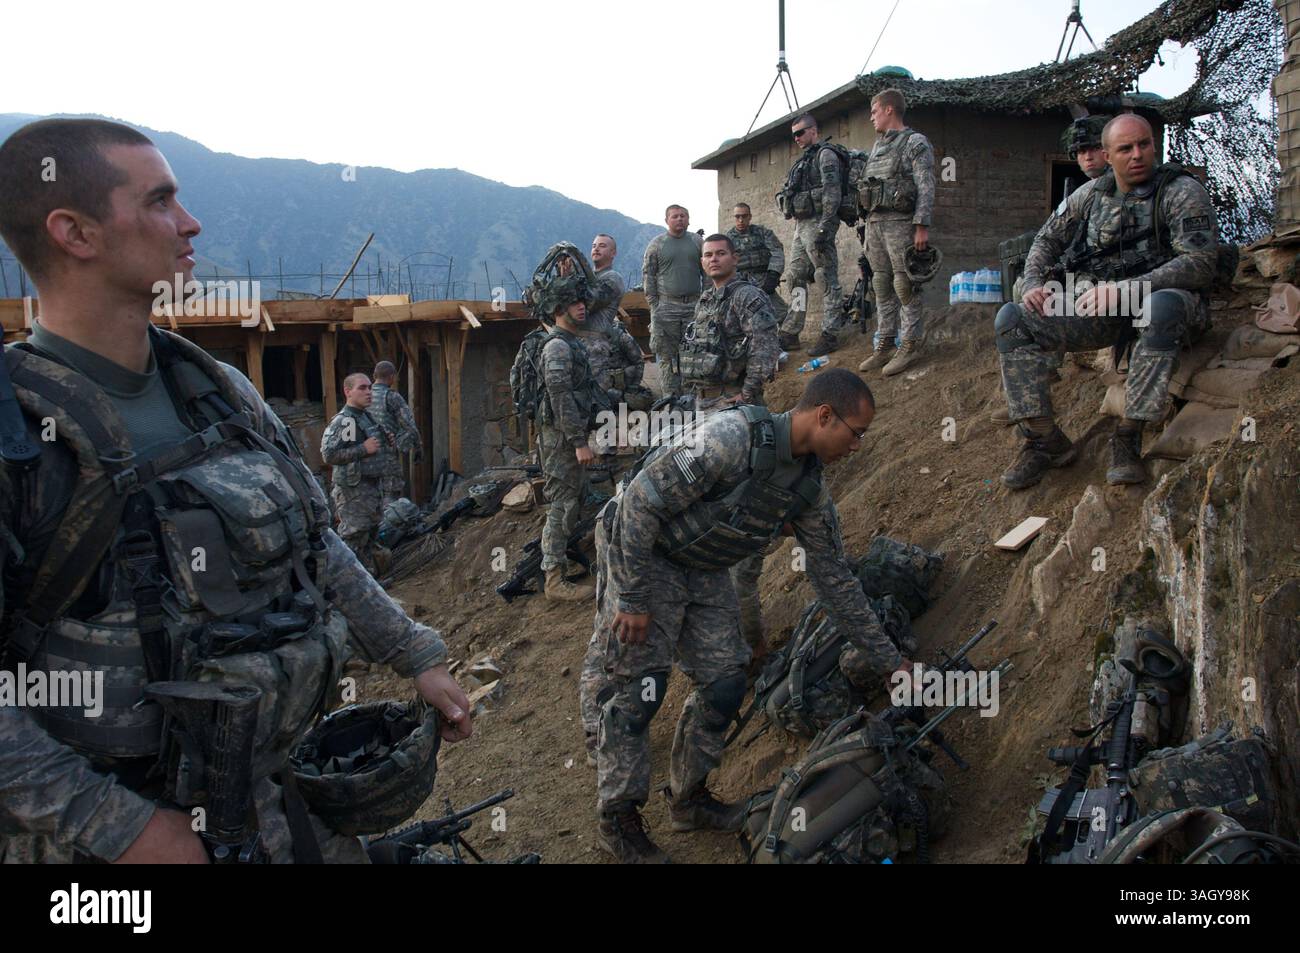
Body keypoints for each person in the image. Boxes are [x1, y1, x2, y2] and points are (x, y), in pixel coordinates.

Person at [0, 118, 470, 864]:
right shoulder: (18, 432)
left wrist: (415, 653)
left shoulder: (216, 389)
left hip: (274, 802)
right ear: (74, 233)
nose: (190, 223)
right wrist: (122, 827)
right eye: (160, 201)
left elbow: (316, 544)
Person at [588, 368, 917, 862]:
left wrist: (891, 662)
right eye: (856, 433)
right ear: (824, 415)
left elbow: (835, 581)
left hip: (703, 567)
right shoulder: (728, 439)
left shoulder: (808, 491)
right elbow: (638, 505)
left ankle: (688, 800)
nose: (857, 446)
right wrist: (632, 599)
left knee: (725, 683)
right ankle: (617, 820)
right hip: (644, 554)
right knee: (640, 690)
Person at [995, 114, 1219, 490]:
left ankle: (1129, 436)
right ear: (1108, 155)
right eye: (1125, 148)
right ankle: (1044, 440)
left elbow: (1200, 262)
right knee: (1013, 318)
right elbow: (1046, 239)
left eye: (1144, 145)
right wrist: (1033, 282)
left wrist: (1126, 289)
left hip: (1169, 304)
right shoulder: (1092, 194)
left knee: (1159, 307)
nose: (1137, 155)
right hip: (1104, 307)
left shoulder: (1181, 191)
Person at [532, 270, 604, 602]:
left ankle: (565, 560)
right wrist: (578, 442)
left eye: (582, 301)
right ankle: (553, 579)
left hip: (568, 434)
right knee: (561, 504)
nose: (582, 307)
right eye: (574, 302)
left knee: (574, 499)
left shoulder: (572, 342)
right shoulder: (558, 347)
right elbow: (559, 396)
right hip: (561, 439)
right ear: (559, 308)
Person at [856, 89, 937, 377]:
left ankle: (910, 343)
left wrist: (921, 226)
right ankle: (886, 342)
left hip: (901, 224)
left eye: (874, 111)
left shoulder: (915, 142)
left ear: (889, 109)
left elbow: (926, 185)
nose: (871, 117)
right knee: (880, 283)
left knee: (905, 284)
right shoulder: (877, 148)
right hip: (875, 224)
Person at [778, 114, 845, 357]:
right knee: (795, 276)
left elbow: (832, 192)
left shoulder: (825, 155)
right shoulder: (805, 159)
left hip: (818, 224)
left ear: (814, 131)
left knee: (826, 277)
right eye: (793, 134)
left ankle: (830, 334)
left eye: (800, 133)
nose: (796, 138)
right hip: (802, 224)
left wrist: (825, 227)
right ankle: (791, 331)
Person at [321, 373, 391, 573]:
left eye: (369, 387)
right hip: (354, 493)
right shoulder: (347, 421)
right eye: (362, 388)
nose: (368, 392)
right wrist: (363, 449)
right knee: (354, 539)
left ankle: (370, 582)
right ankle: (348, 584)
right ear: (348, 391)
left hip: (370, 489)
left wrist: (386, 440)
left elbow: (368, 444)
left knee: (368, 538)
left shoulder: (364, 416)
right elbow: (329, 455)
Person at [577, 234, 652, 413]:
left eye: (602, 246)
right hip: (578, 343)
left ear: (613, 253)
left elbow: (590, 302)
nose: (596, 248)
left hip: (596, 345)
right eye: (594, 245)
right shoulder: (586, 280)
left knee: (596, 399)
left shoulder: (612, 278)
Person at [642, 206, 704, 396]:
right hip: (666, 307)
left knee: (693, 354)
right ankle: (670, 399)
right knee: (667, 358)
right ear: (667, 220)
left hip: (694, 306)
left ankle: (691, 399)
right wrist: (654, 305)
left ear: (688, 219)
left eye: (683, 216)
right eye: (675, 216)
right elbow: (648, 275)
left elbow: (708, 272)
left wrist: (706, 300)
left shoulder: (697, 242)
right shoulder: (657, 244)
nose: (679, 219)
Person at [726, 203, 788, 336]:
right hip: (740, 283)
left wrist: (773, 274)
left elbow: (777, 252)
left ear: (750, 217)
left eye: (744, 216)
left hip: (763, 281)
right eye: (737, 217)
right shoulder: (727, 239)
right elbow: (726, 263)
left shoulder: (763, 233)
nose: (741, 220)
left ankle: (786, 340)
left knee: (782, 313)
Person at [369, 360, 422, 508]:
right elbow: (409, 425)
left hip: (366, 457)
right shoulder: (392, 396)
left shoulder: (364, 395)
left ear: (374, 375)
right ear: (392, 377)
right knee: (390, 496)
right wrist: (418, 447)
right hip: (387, 457)